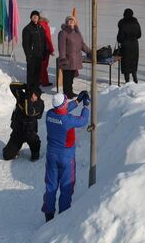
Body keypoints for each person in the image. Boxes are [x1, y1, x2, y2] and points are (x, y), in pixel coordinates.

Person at [42, 91, 90, 222]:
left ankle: (49, 214)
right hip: (66, 157)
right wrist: (85, 106)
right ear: (63, 104)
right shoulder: (68, 120)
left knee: (51, 185)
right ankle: (63, 215)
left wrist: (77, 101)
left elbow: (62, 109)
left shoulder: (50, 115)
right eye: (66, 100)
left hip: (51, 155)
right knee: (66, 186)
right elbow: (83, 120)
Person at [2, 82, 44, 161]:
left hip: (30, 132)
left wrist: (27, 99)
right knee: (7, 156)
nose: (33, 96)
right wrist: (25, 86)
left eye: (35, 95)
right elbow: (12, 86)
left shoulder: (40, 104)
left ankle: (36, 148)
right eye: (32, 94)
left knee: (34, 152)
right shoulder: (22, 97)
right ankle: (14, 149)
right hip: (18, 131)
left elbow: (29, 112)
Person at [56, 16, 91, 98]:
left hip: (76, 59)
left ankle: (70, 92)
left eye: (73, 20)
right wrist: (63, 58)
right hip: (68, 59)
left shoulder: (77, 32)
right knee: (67, 77)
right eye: (69, 20)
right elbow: (61, 47)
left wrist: (90, 52)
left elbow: (82, 44)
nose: (71, 21)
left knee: (71, 77)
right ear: (66, 22)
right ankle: (67, 93)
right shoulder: (63, 32)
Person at [22, 10, 47, 92]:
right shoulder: (27, 29)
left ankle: (36, 90)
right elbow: (25, 44)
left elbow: (43, 41)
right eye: (33, 16)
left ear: (38, 18)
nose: (35, 17)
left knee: (38, 74)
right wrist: (28, 56)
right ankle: (30, 90)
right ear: (31, 17)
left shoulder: (40, 28)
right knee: (31, 74)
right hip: (32, 56)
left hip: (39, 55)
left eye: (36, 16)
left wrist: (44, 53)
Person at [116, 8, 142, 83]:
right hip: (134, 45)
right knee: (133, 62)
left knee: (126, 64)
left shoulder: (122, 23)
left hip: (125, 46)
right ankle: (135, 80)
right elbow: (139, 35)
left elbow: (120, 38)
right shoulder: (136, 22)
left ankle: (127, 82)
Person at [38, 13, 54, 87]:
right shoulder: (44, 25)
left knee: (40, 65)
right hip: (45, 49)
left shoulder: (38, 24)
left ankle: (40, 80)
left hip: (40, 49)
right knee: (44, 66)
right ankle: (44, 82)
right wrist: (51, 49)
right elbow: (48, 38)